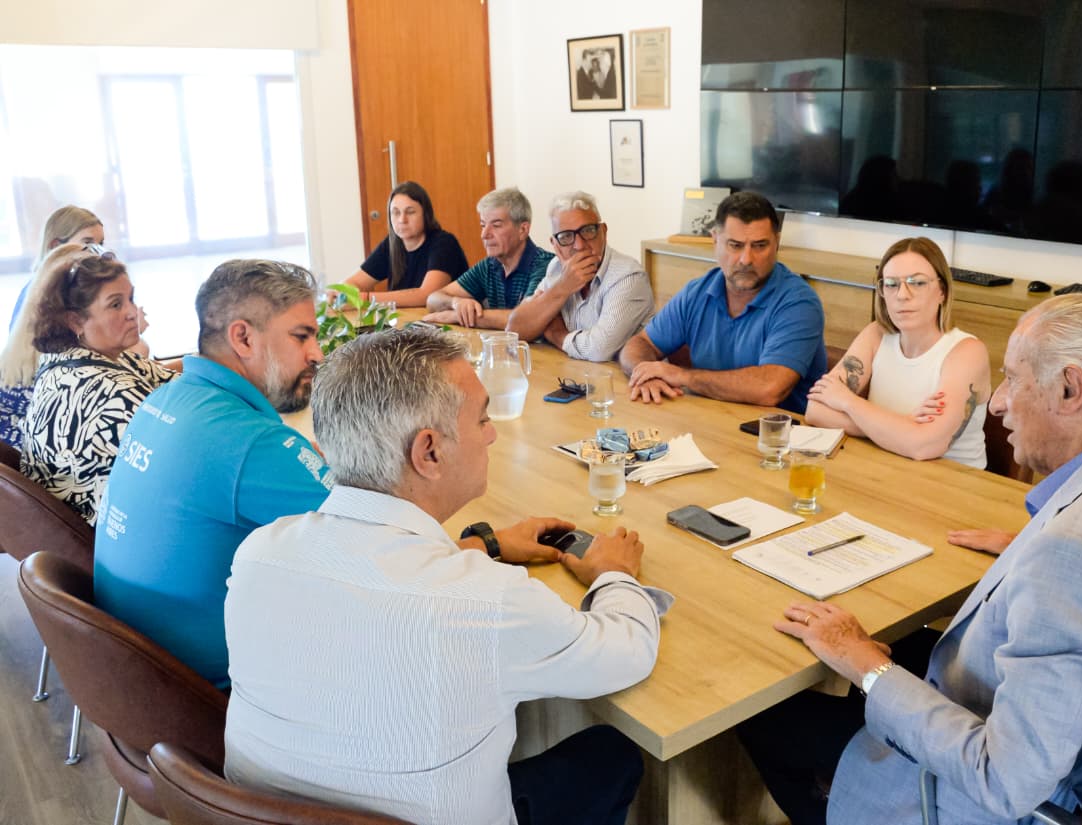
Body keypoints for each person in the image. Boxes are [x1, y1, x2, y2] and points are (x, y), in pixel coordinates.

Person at [737, 293, 1082, 825]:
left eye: (1013, 379)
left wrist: (867, 667)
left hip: (981, 798)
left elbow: (1006, 780)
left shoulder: (1073, 554)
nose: (997, 402)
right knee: (902, 644)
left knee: (765, 715)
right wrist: (1036, 543)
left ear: (1070, 388)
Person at [223, 326, 668, 825]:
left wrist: (487, 543)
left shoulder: (259, 554)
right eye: (482, 418)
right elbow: (626, 653)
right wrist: (614, 575)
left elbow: (379, 580)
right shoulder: (485, 600)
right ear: (429, 452)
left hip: (262, 815)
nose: (493, 432)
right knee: (612, 754)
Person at [93, 259, 333, 688]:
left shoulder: (167, 397)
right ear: (242, 337)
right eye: (302, 336)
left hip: (136, 675)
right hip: (212, 695)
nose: (316, 353)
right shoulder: (249, 442)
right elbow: (389, 545)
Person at [619, 191, 826, 413]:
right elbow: (641, 344)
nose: (746, 259)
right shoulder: (696, 292)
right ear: (715, 239)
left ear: (776, 242)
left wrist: (681, 376)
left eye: (759, 246)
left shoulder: (799, 303)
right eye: (735, 245)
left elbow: (770, 388)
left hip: (778, 437)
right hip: (711, 421)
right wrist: (645, 374)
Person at [18, 244, 175, 524]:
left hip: (86, 521)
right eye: (116, 304)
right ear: (75, 320)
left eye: (131, 299)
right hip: (112, 535)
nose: (132, 313)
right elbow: (186, 444)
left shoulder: (66, 357)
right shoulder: (111, 393)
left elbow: (167, 381)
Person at [805, 237, 990, 468]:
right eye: (892, 284)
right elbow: (815, 410)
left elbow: (923, 446)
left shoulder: (967, 352)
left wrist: (847, 402)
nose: (902, 294)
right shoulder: (876, 334)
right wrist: (904, 427)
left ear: (942, 291)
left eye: (917, 283)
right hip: (888, 469)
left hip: (956, 486)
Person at [2, 206, 109, 448]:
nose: (99, 255)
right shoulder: (52, 300)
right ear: (55, 246)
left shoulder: (43, 290)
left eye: (101, 244)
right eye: (88, 245)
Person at [506, 191, 654, 360]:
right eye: (566, 236)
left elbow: (598, 349)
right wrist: (562, 288)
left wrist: (556, 333)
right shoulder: (556, 268)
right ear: (555, 245)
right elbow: (515, 330)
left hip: (627, 380)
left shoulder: (628, 276)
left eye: (588, 231)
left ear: (603, 232)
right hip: (575, 375)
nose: (579, 245)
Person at [424, 187, 553, 329]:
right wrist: (456, 303)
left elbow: (525, 319)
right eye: (483, 225)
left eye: (496, 226)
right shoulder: (489, 265)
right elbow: (433, 299)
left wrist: (456, 316)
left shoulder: (546, 266)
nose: (484, 234)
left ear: (523, 230)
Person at [341, 181, 468, 307]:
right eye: (396, 213)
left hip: (445, 323)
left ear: (426, 214)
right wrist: (343, 292)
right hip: (408, 321)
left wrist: (365, 298)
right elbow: (356, 282)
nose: (402, 220)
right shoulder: (392, 243)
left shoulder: (444, 243)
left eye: (410, 212)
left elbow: (427, 295)